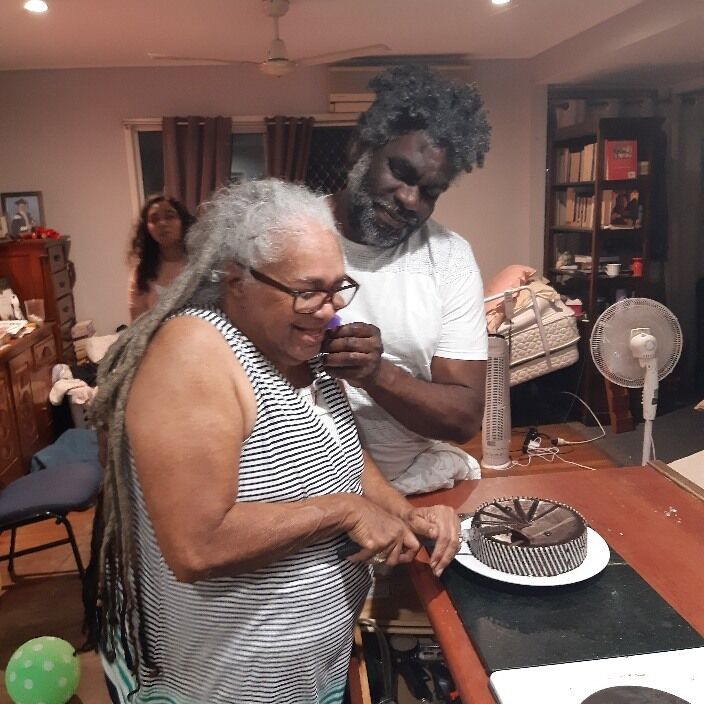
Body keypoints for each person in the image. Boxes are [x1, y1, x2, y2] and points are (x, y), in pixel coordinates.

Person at [84, 179, 460, 704]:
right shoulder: (194, 352)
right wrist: (343, 512)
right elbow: (197, 545)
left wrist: (405, 515)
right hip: (223, 688)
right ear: (236, 279)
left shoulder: (302, 351)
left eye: (337, 287)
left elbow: (345, 458)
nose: (329, 309)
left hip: (309, 675)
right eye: (307, 290)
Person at [326, 64, 492, 495]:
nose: (409, 199)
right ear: (360, 149)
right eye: (400, 171)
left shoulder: (449, 258)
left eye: (430, 191)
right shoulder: (294, 237)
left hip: (414, 485)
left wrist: (376, 374)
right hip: (302, 495)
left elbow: (464, 419)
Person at [127, 194, 195, 320]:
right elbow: (138, 322)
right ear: (147, 229)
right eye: (154, 219)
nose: (162, 223)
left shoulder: (200, 261)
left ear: (183, 221)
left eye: (170, 216)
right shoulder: (142, 271)